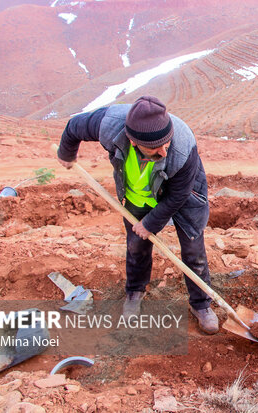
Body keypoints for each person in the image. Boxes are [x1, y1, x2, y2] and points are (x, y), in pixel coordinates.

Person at [56, 95, 218, 334]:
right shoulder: (108, 124)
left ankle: (201, 304)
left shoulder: (183, 147)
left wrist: (151, 223)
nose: (163, 151)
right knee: (136, 246)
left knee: (193, 249)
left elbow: (177, 196)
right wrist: (66, 154)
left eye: (166, 143)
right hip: (137, 195)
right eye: (155, 147)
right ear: (133, 141)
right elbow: (73, 127)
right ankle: (134, 292)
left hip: (184, 194)